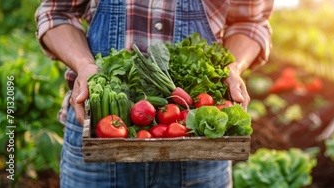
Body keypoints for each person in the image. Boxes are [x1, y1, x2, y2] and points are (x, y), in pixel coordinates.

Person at [35, 0, 274, 187]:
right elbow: (56, 12)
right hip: (99, 148)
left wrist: (233, 67)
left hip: (201, 151)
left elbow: (250, 22)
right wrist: (85, 65)